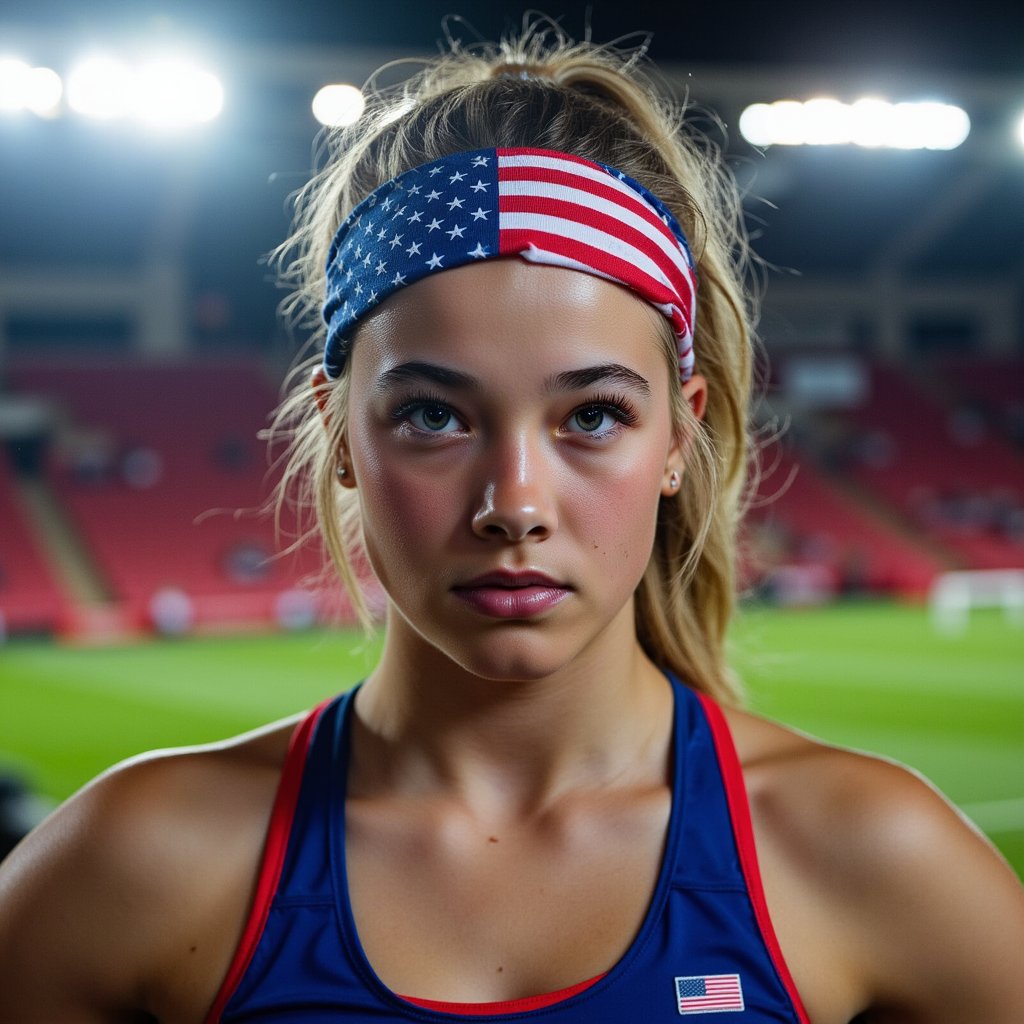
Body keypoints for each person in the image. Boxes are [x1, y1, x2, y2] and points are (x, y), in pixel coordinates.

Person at [1, 27, 1022, 1024]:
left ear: (679, 434)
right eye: (432, 415)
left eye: (594, 416)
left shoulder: (875, 857)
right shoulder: (130, 867)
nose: (516, 506)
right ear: (341, 434)